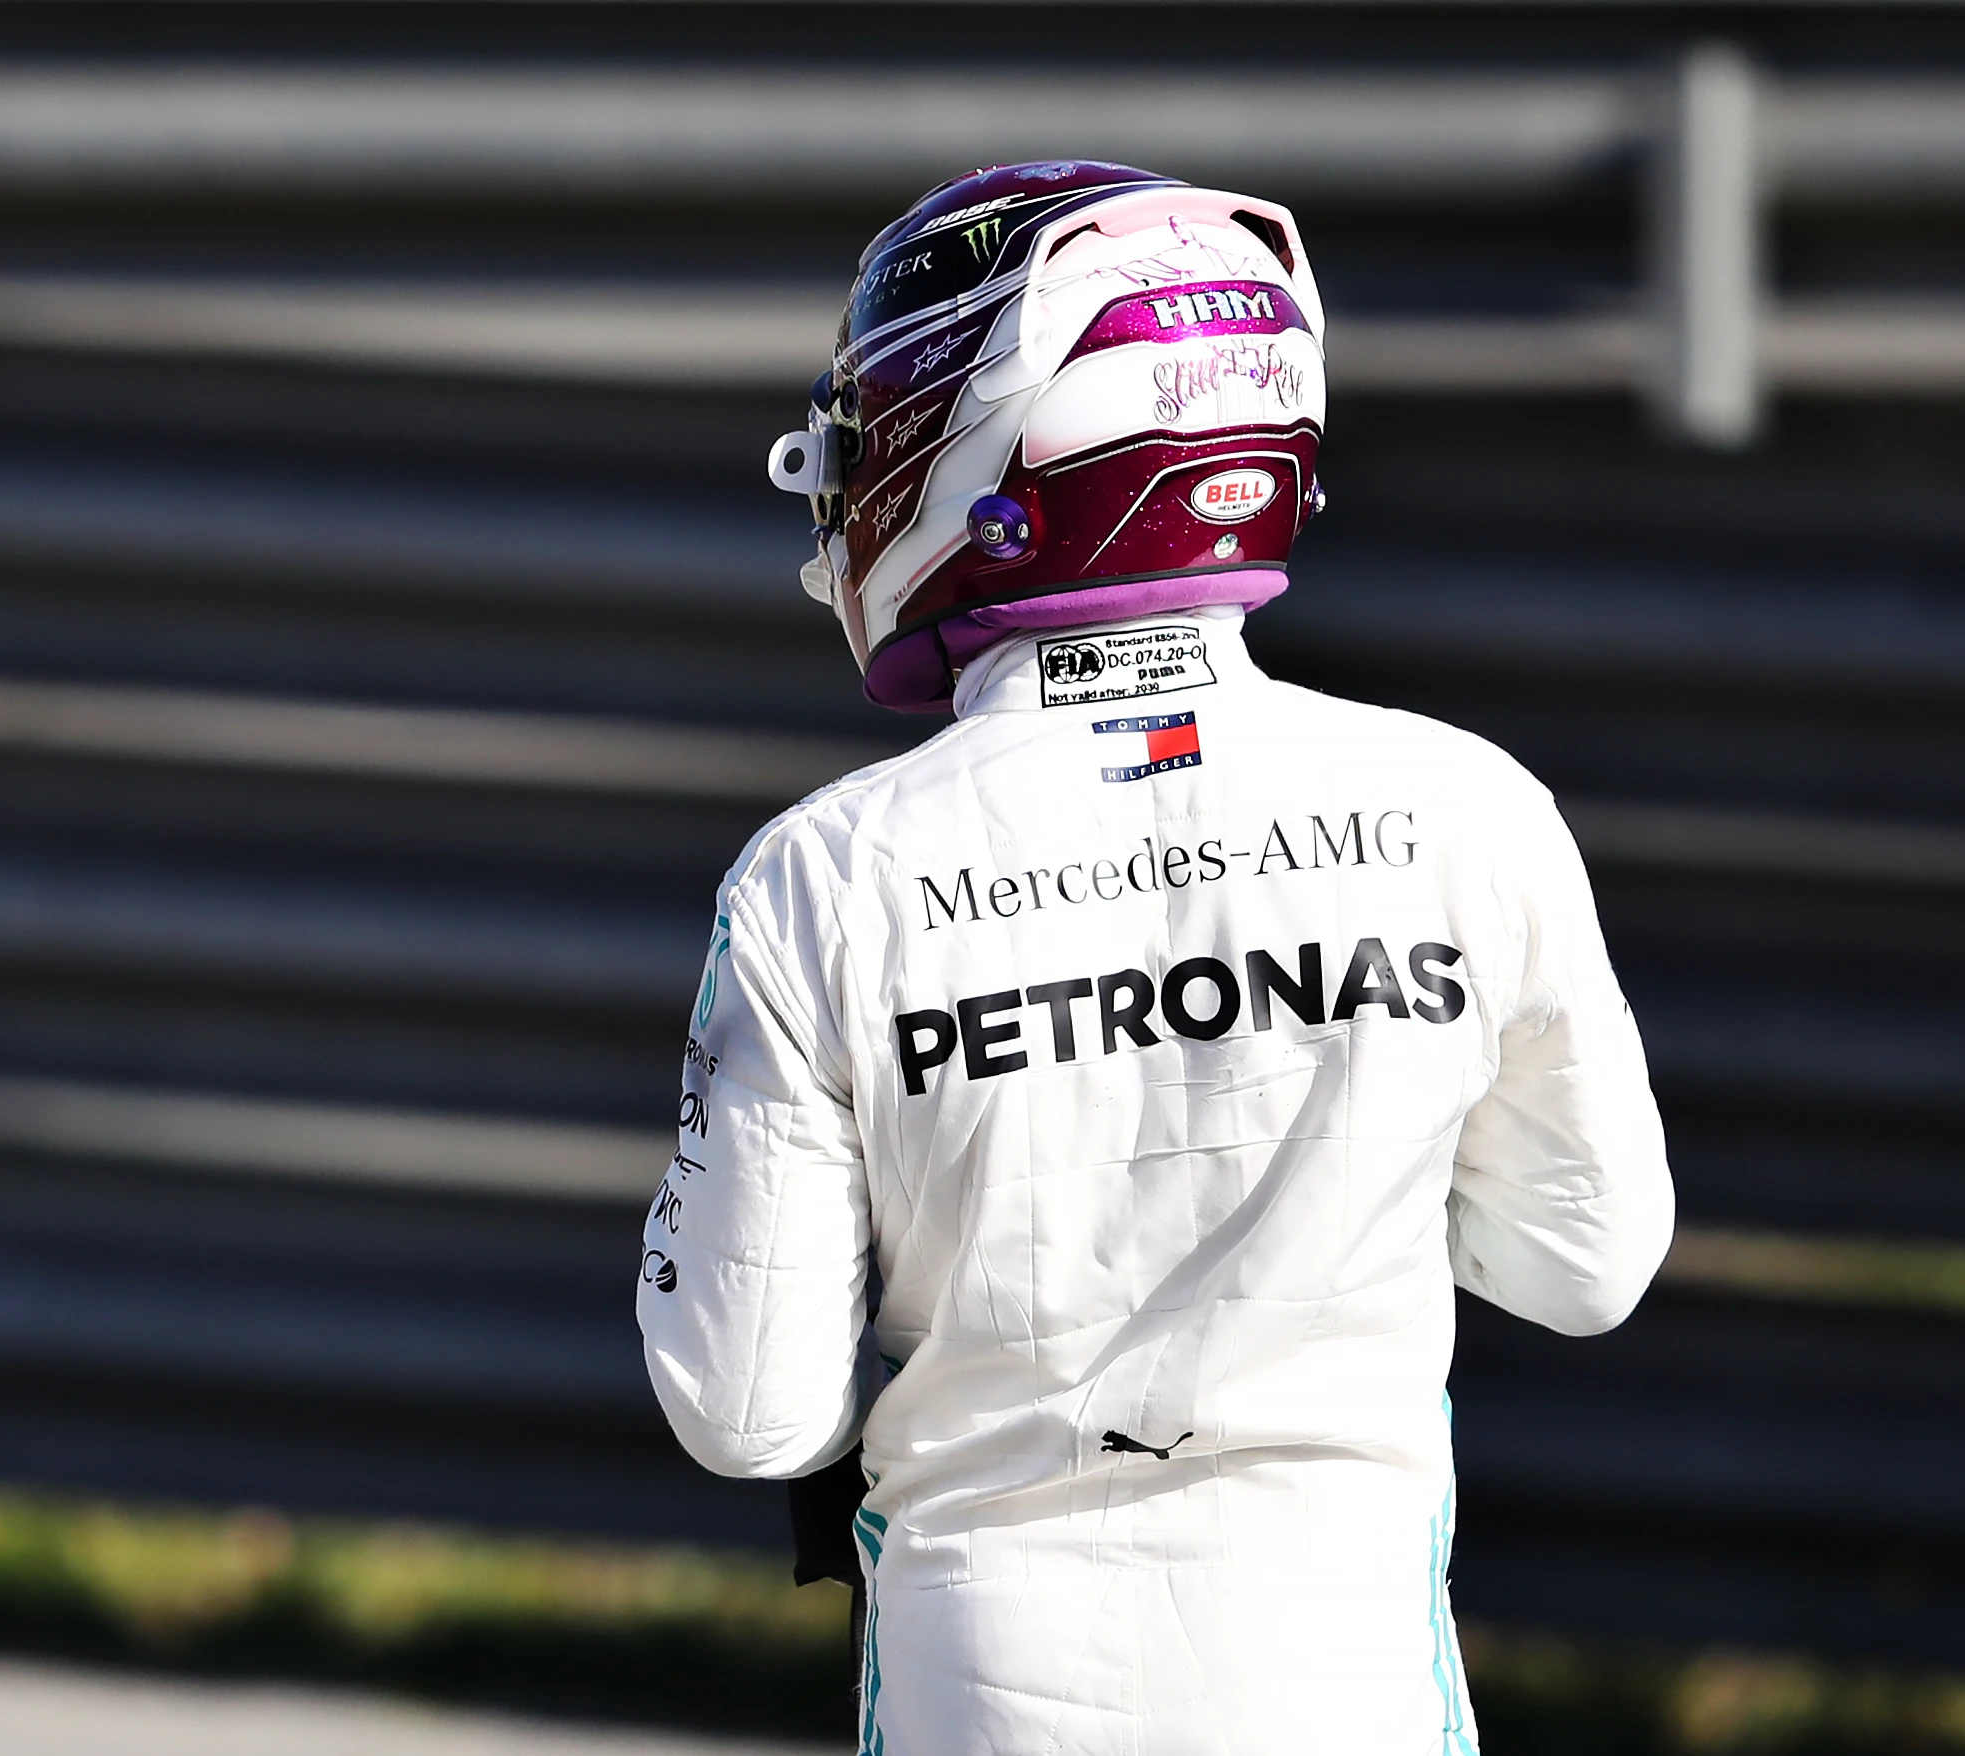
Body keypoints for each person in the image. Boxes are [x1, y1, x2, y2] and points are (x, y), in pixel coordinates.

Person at [635, 162, 1673, 1756]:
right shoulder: (1464, 803)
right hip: (1354, 1683)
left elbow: (745, 1408)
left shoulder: (820, 873)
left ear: (978, 446)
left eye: (858, 438)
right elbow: (1585, 1266)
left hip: (977, 1682)